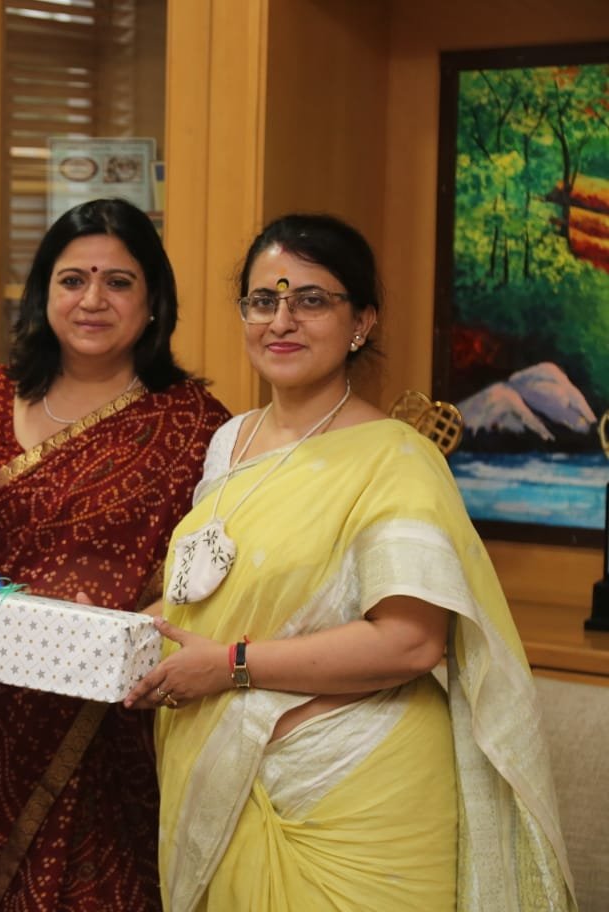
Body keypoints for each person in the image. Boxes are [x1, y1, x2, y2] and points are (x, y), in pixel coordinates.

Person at [127, 213, 576, 910]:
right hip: (228, 771)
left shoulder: (396, 459)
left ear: (361, 322)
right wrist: (114, 632)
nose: (282, 321)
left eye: (311, 300)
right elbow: (207, 595)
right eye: (263, 300)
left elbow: (409, 641)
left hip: (356, 793)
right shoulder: (229, 443)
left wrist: (230, 666)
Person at [0, 198, 230, 911]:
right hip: (2, 711)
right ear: (44, 293)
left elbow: (210, 578)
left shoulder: (196, 422)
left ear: (153, 302)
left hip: (125, 715)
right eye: (72, 280)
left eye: (118, 282)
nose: (93, 300)